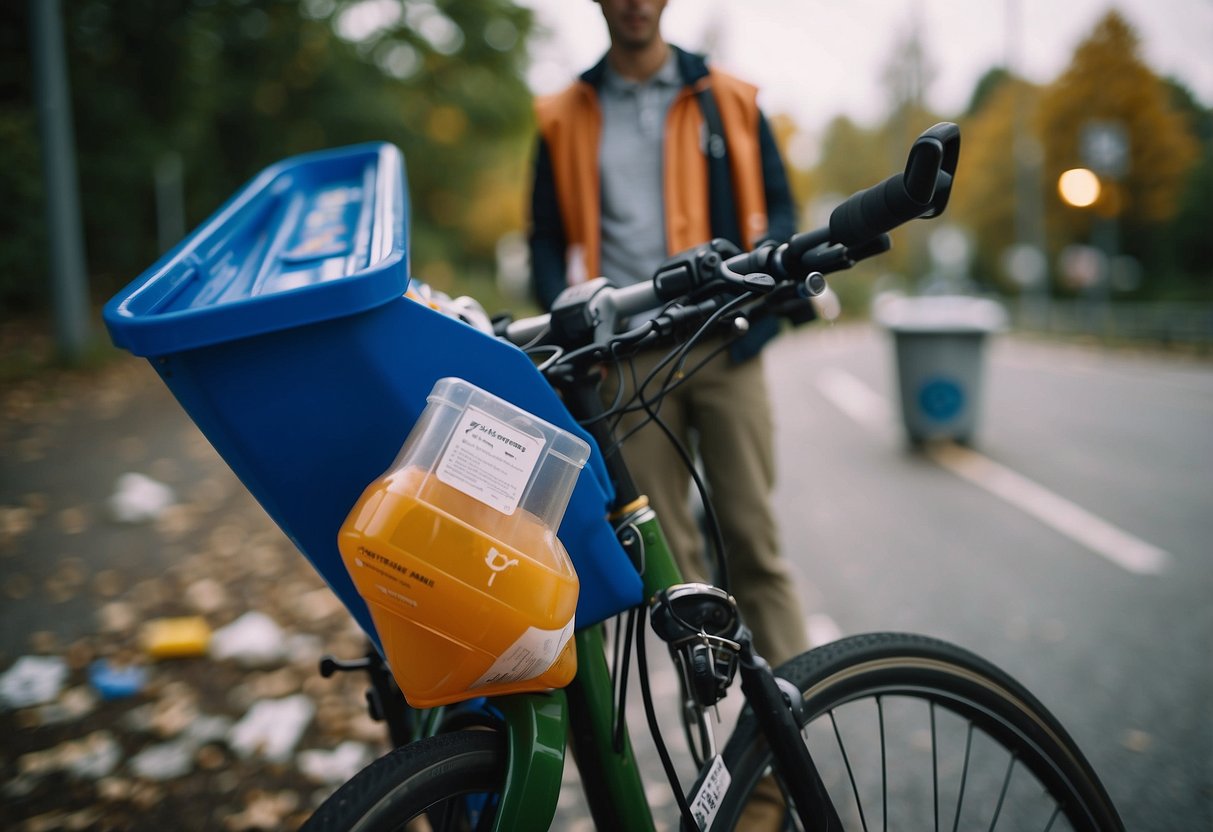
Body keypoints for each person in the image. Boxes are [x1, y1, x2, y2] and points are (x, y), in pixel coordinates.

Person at [527, 0, 810, 671]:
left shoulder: (730, 99)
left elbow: (780, 208)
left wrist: (758, 289)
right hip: (624, 362)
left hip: (722, 344)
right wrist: (571, 327)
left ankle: (785, 752)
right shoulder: (562, 116)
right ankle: (724, 760)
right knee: (672, 574)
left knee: (751, 542)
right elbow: (543, 237)